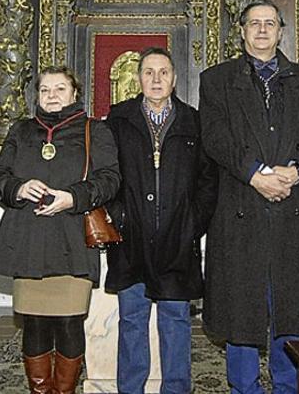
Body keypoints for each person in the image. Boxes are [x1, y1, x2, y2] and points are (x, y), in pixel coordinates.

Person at [198, 0, 299, 394]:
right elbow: (216, 137)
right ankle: (244, 387)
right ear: (241, 31)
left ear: (280, 30)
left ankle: (288, 386)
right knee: (242, 307)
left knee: (289, 308)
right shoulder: (216, 79)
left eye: (269, 23)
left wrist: (297, 172)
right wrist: (255, 175)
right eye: (254, 23)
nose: (261, 30)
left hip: (293, 207)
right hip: (241, 206)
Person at [0, 66, 120, 394]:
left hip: (72, 238)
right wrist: (18, 188)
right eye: (45, 90)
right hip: (28, 237)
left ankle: (64, 391)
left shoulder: (95, 131)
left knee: (70, 320)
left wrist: (72, 197)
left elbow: (110, 179)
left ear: (75, 94)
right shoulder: (21, 130)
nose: (52, 96)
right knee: (33, 321)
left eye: (60, 89)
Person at [104, 47, 217, 394]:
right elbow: (106, 174)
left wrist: (192, 222)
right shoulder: (118, 120)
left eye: (163, 72)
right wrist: (119, 216)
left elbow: (208, 180)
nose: (156, 79)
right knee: (133, 323)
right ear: (138, 79)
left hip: (177, 241)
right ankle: (131, 389)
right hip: (131, 239)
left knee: (176, 322)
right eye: (149, 72)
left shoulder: (193, 121)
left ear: (174, 78)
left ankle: (177, 389)